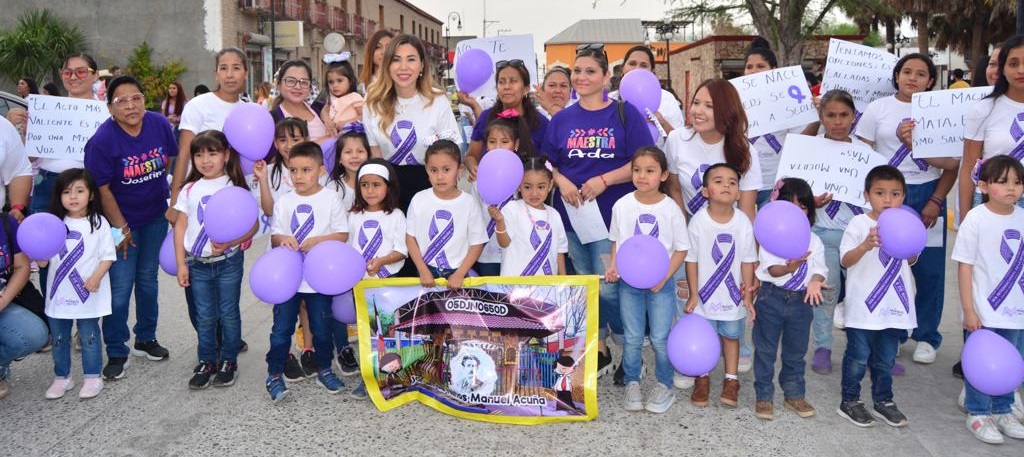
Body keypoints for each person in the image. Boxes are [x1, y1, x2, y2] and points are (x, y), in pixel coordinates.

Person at [541, 43, 653, 382]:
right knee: (587, 287)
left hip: (610, 220)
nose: (581, 77)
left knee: (610, 288)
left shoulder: (624, 113)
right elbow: (549, 162)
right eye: (577, 71)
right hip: (572, 218)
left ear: (607, 76)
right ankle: (601, 351)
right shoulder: (561, 119)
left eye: (590, 71)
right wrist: (560, 181)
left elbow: (643, 160)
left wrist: (605, 179)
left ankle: (630, 353)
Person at [856, 53, 954, 370]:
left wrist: (936, 201)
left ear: (930, 80)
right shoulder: (878, 109)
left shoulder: (943, 110)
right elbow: (862, 154)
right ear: (896, 76)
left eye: (921, 73)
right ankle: (893, 332)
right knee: (887, 265)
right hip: (888, 196)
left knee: (929, 269)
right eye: (907, 71)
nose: (913, 77)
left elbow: (954, 164)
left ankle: (926, 336)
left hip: (927, 190)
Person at [84, 75, 177, 380]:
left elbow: (166, 161)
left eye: (135, 98)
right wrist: (121, 227)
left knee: (148, 280)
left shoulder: (159, 124)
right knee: (120, 288)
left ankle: (146, 338)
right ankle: (116, 349)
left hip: (154, 217)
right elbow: (102, 188)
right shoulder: (102, 141)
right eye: (121, 101)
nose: (130, 105)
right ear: (110, 108)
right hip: (118, 223)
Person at [167, 49, 250, 354]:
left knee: (227, 275)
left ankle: (227, 338)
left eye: (236, 68)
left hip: (231, 203)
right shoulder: (200, 105)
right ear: (216, 73)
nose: (230, 74)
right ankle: (211, 341)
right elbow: (185, 153)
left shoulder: (249, 110)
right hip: (195, 197)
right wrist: (175, 198)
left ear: (245, 72)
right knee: (196, 272)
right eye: (224, 68)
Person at [605, 147, 689, 414]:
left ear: (663, 175)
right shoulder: (622, 205)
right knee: (632, 338)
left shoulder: (671, 209)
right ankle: (632, 382)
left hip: (660, 286)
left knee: (661, 338)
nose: (642, 176)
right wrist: (613, 266)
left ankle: (664, 383)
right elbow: (617, 241)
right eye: (637, 170)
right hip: (629, 284)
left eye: (650, 171)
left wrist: (664, 277)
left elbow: (681, 248)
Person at [266, 141, 349, 402]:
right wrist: (284, 240)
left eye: (306, 170)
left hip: (318, 279)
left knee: (322, 327)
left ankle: (324, 368)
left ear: (321, 171)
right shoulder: (284, 201)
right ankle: (275, 373)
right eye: (294, 170)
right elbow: (275, 235)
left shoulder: (330, 198)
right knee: (281, 328)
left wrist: (319, 241)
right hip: (289, 279)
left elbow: (342, 234)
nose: (299, 176)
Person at [172, 130, 255, 390]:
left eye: (212, 153)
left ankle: (228, 360)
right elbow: (180, 227)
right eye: (198, 154)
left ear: (226, 155)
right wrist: (181, 263)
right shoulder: (190, 188)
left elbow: (251, 225)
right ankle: (207, 360)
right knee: (205, 315)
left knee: (228, 313)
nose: (205, 160)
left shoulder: (234, 187)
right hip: (197, 263)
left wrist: (231, 242)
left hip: (228, 261)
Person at [951, 155, 1024, 444]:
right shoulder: (976, 219)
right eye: (1002, 182)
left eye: (1018, 183)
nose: (1011, 188)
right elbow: (965, 265)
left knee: (1012, 360)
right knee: (982, 362)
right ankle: (978, 412)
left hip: (1016, 311)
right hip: (984, 310)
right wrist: (969, 309)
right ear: (982, 185)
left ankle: (1004, 409)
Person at [837, 165, 916, 428]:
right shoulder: (859, 223)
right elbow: (845, 260)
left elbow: (913, 258)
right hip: (863, 307)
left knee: (885, 359)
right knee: (858, 356)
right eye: (880, 193)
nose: (888, 200)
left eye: (895, 194)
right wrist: (865, 245)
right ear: (867, 195)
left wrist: (909, 243)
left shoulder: (906, 222)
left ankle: (884, 400)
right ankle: (850, 400)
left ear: (903, 197)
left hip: (894, 307)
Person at [253, 118, 322, 380]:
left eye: (295, 139)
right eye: (282, 139)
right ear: (274, 143)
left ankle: (309, 347)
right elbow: (270, 211)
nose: (288, 145)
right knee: (284, 301)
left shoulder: (311, 170)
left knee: (307, 300)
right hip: (282, 250)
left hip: (310, 248)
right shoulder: (269, 171)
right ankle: (285, 354)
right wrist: (261, 181)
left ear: (306, 139)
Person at [683, 163, 757, 409]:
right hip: (704, 297)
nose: (726, 185)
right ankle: (702, 378)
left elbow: (748, 259)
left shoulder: (743, 222)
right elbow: (691, 260)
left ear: (738, 193)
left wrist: (748, 293)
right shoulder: (698, 222)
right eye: (718, 180)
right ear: (705, 191)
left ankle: (731, 380)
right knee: (704, 338)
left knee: (731, 337)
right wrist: (693, 294)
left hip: (733, 297)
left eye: (732, 182)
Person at [752, 178, 826, 420]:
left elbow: (819, 268)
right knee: (765, 350)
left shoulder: (814, 241)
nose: (797, 213)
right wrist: (789, 267)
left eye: (802, 207)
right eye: (790, 206)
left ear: (810, 210)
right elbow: (772, 271)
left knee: (796, 351)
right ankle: (763, 395)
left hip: (802, 302)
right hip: (771, 298)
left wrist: (815, 280)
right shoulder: (772, 238)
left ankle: (794, 393)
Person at [363, 34, 462, 212]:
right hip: (389, 191)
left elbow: (452, 149)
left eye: (411, 59)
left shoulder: (437, 100)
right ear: (387, 65)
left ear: (422, 65)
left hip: (430, 186)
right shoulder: (372, 101)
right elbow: (375, 154)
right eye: (396, 60)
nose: (403, 67)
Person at [808, 89, 868, 376]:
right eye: (830, 115)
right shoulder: (807, 151)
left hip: (857, 237)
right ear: (821, 118)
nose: (838, 121)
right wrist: (811, 201)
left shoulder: (867, 154)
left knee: (861, 293)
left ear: (854, 117)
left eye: (844, 115)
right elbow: (792, 194)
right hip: (822, 233)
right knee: (825, 291)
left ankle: (865, 348)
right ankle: (822, 346)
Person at [32, 53, 101, 299]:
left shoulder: (105, 113)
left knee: (88, 249)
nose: (73, 77)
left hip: (87, 185)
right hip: (47, 183)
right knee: (46, 251)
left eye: (81, 71)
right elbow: (29, 158)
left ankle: (85, 320)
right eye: (68, 72)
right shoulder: (47, 110)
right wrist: (25, 130)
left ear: (94, 74)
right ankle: (55, 315)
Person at [43, 168, 115, 400]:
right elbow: (44, 259)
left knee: (89, 335)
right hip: (59, 293)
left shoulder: (99, 223)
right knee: (60, 336)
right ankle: (62, 377)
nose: (73, 197)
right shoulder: (53, 224)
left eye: (79, 191)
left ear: (91, 195)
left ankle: (93, 376)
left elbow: (108, 256)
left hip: (88, 291)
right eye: (66, 192)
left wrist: (96, 277)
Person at [406, 139, 487, 288]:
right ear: (426, 170)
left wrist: (460, 273)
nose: (440, 176)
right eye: (434, 170)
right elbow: (410, 238)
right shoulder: (419, 199)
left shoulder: (468, 203)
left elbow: (477, 242)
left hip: (458, 273)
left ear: (459, 170)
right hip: (426, 271)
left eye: (446, 169)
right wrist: (422, 269)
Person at [325, 128, 369, 378]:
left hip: (371, 255)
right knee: (339, 303)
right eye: (348, 152)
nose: (354, 156)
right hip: (341, 257)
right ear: (339, 157)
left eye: (360, 150)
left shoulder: (375, 182)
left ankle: (369, 345)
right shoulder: (333, 188)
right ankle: (341, 347)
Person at [742, 44, 806, 207]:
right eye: (749, 67)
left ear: (773, 70)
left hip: (775, 183)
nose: (754, 71)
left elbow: (800, 140)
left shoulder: (787, 100)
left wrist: (816, 116)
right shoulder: (734, 98)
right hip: (741, 181)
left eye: (760, 66)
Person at [463, 58, 550, 175]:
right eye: (501, 82)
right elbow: (472, 156)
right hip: (491, 188)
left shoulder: (540, 122)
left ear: (526, 89)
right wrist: (473, 167)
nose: (506, 87)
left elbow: (549, 165)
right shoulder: (486, 118)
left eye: (513, 81)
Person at [489, 156, 568, 276]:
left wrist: (564, 282)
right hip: (515, 287)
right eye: (527, 187)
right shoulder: (512, 208)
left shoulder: (554, 215)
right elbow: (504, 243)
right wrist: (499, 221)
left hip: (547, 289)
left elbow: (559, 252)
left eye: (541, 187)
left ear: (550, 184)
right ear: (519, 185)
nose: (534, 193)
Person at [0, 211, 48, 399]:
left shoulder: (6, 222)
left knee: (34, 334)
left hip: (4, 301)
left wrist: (3, 301)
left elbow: (22, 267)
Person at [475, 118, 526, 276]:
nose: (498, 147)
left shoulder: (524, 175)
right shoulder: (478, 177)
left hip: (516, 251)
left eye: (505, 142)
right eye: (492, 141)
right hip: (486, 253)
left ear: (516, 144)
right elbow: (473, 217)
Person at [611, 45, 686, 146]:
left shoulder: (666, 99)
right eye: (632, 64)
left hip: (656, 159)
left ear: (652, 72)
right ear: (622, 70)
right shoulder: (610, 99)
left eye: (644, 65)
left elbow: (680, 142)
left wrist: (662, 122)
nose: (637, 69)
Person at [270, 60, 330, 144]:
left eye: (304, 82)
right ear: (279, 85)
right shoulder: (272, 120)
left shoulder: (321, 110)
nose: (298, 87)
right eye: (291, 81)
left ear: (310, 87)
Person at [320, 54, 363, 137]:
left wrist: (347, 122)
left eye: (339, 81)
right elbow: (324, 111)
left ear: (350, 81)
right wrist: (327, 119)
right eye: (331, 82)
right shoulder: (331, 98)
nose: (335, 85)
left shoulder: (354, 97)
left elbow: (364, 116)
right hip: (333, 136)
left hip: (351, 136)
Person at [359, 29, 396, 95]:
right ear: (371, 51)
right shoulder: (362, 87)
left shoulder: (400, 82)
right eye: (378, 47)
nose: (383, 52)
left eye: (388, 47)